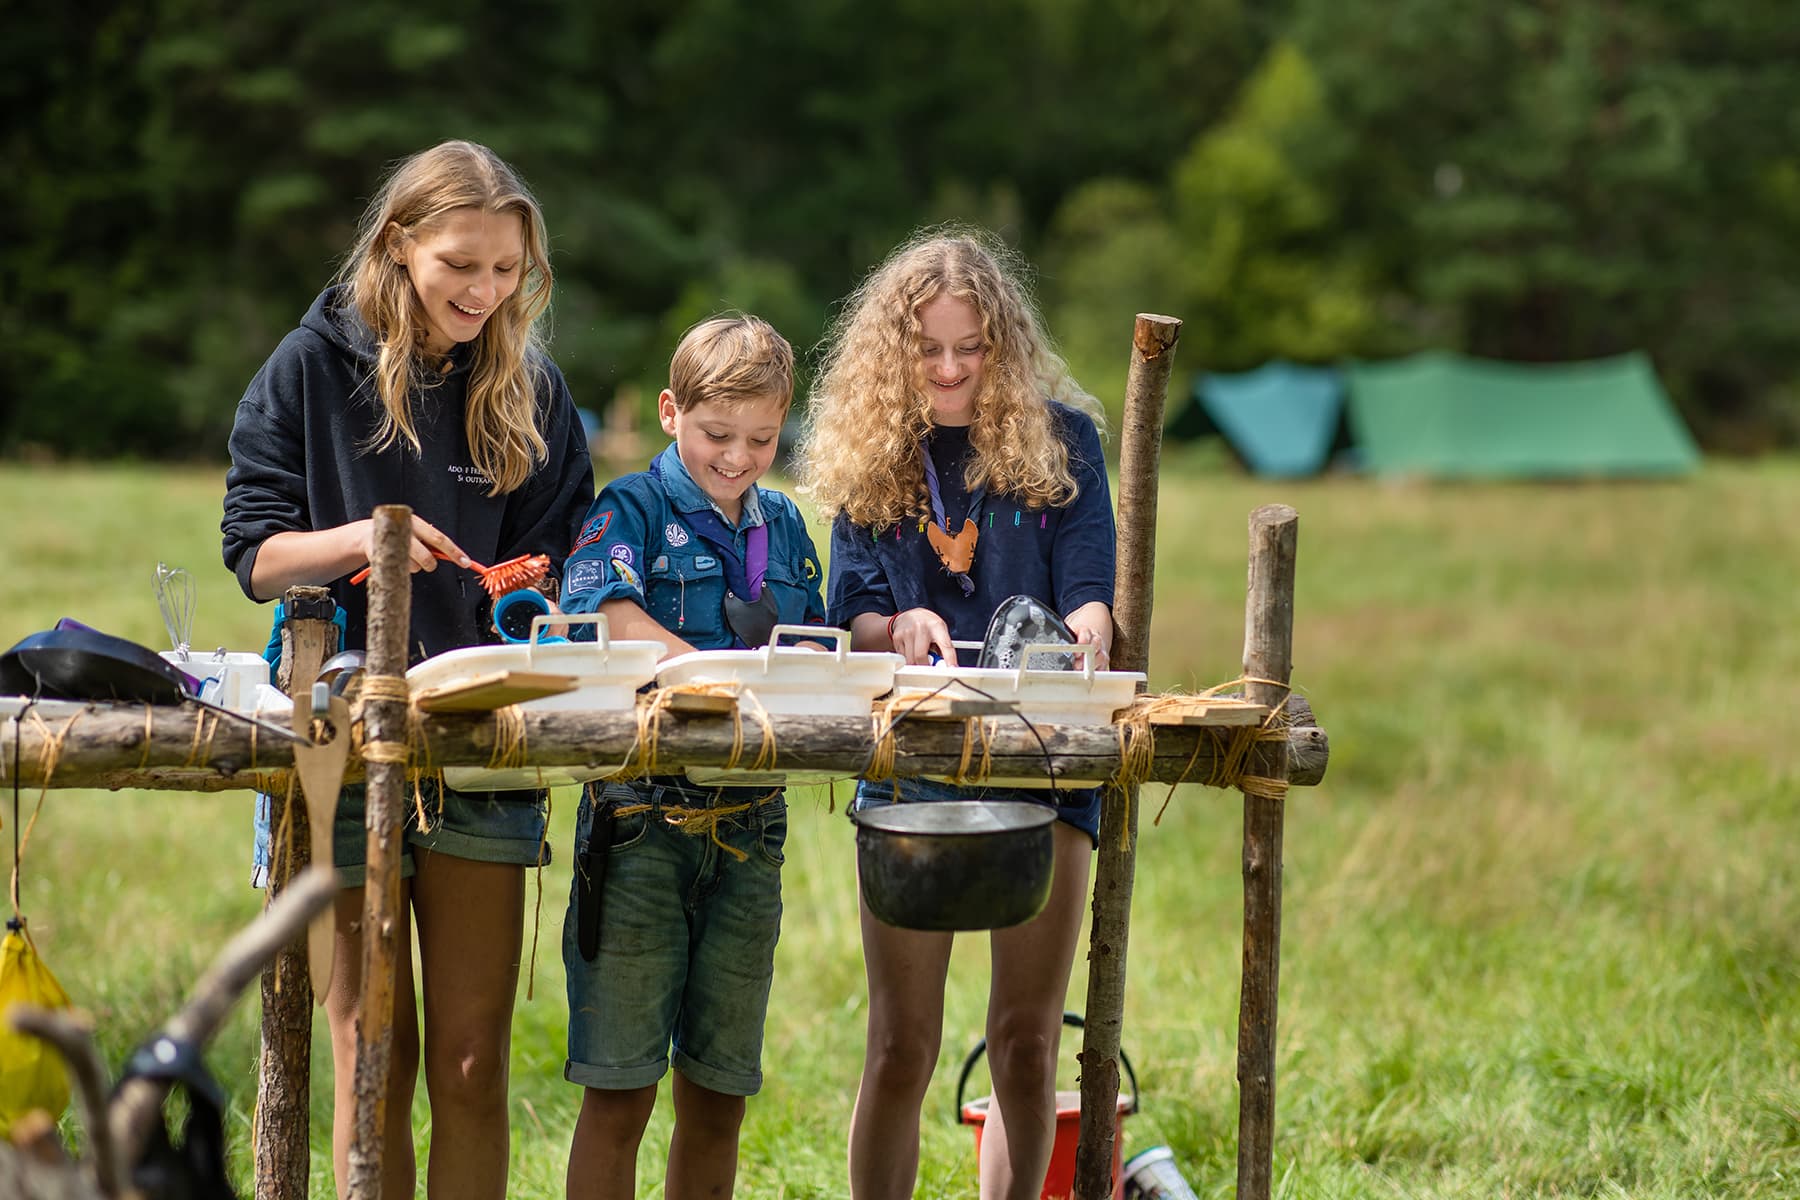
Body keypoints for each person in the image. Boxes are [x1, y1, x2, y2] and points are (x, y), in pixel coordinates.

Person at [220, 140, 594, 1199]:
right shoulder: (309, 368)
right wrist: (366, 540)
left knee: (473, 1063)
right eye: (459, 266)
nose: (483, 292)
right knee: (373, 1050)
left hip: (484, 739)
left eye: (506, 270)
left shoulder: (532, 388)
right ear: (398, 246)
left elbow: (569, 554)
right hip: (338, 732)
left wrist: (550, 592)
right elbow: (253, 555)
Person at [794, 229, 1116, 1200]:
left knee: (1024, 1043)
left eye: (969, 349)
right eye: (927, 350)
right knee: (902, 1044)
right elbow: (850, 608)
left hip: (1046, 758)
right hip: (914, 761)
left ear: (1001, 345)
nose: (947, 370)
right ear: (893, 354)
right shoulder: (872, 454)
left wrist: (1090, 635)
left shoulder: (1066, 444)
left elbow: (1093, 592)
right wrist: (898, 624)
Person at [559, 314, 826, 1200]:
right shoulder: (630, 506)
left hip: (752, 829)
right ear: (672, 413)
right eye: (717, 435)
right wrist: (722, 683)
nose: (739, 457)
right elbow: (614, 617)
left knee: (720, 1092)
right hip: (640, 825)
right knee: (622, 1089)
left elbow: (810, 643)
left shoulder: (785, 525)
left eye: (761, 438)